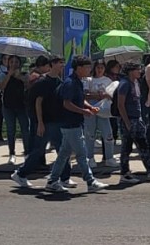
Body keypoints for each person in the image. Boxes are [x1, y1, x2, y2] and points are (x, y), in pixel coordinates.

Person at [44, 56, 109, 194]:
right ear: (78, 68)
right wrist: (83, 111)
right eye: (86, 67)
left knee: (64, 154)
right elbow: (67, 103)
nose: (89, 70)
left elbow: (79, 99)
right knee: (81, 153)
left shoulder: (78, 82)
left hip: (73, 123)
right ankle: (90, 181)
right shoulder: (70, 83)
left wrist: (89, 107)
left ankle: (52, 181)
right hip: (70, 123)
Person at [11, 56, 70, 189]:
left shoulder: (58, 81)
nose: (62, 65)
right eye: (60, 63)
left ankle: (65, 177)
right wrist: (40, 122)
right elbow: (38, 102)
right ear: (52, 65)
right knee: (39, 150)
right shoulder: (44, 82)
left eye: (63, 63)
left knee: (62, 149)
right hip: (46, 122)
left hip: (55, 121)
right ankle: (21, 174)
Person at [116, 61, 150, 185]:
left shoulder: (136, 83)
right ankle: (125, 173)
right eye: (137, 69)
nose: (139, 72)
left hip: (137, 119)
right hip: (129, 119)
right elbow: (120, 104)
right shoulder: (125, 84)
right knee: (127, 147)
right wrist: (127, 122)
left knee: (144, 146)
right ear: (130, 71)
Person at [83, 60, 117, 169]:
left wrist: (105, 96)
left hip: (103, 109)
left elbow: (111, 94)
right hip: (90, 107)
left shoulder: (108, 80)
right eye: (98, 67)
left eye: (102, 67)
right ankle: (90, 157)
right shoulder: (89, 80)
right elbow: (85, 95)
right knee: (90, 135)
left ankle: (109, 157)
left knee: (108, 134)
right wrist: (97, 95)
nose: (99, 70)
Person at [0, 55, 31, 165]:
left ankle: (27, 152)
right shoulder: (3, 74)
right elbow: (1, 87)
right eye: (11, 62)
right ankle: (12, 153)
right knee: (10, 130)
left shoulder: (25, 74)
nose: (14, 64)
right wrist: (9, 75)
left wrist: (19, 77)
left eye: (16, 62)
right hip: (8, 106)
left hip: (22, 106)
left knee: (25, 130)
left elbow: (29, 85)